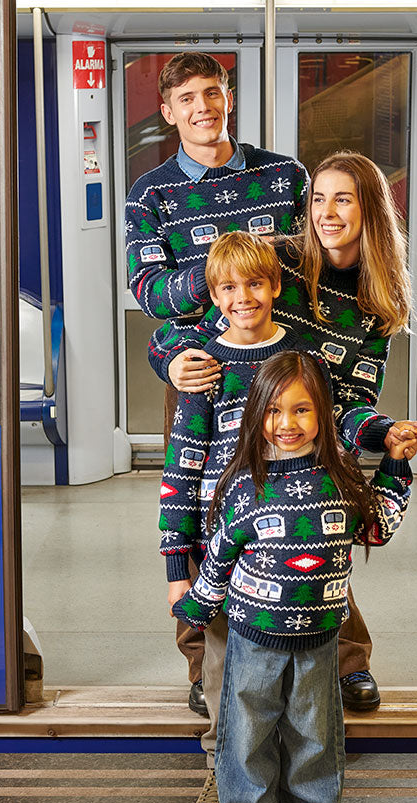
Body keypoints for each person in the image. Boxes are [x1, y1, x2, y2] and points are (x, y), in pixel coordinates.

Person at [155, 150, 417, 711]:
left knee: (311, 545)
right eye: (318, 198)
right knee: (216, 557)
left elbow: (349, 404)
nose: (326, 213)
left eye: (343, 199)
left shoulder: (378, 303)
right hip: (227, 451)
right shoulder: (279, 262)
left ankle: (343, 660)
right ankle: (206, 671)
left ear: (371, 210)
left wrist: (384, 436)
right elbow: (191, 332)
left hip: (307, 455)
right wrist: (174, 358)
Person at [171, 350, 417, 803]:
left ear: (324, 414)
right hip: (252, 636)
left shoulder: (344, 478)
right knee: (246, 734)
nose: (288, 424)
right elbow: (218, 558)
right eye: (275, 411)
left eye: (303, 411)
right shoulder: (241, 484)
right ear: (257, 413)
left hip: (320, 640)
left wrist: (396, 464)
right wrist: (195, 608)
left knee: (316, 734)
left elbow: (378, 527)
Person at [124, 50, 309, 724]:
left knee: (309, 503)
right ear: (168, 113)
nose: (203, 107)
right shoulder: (151, 196)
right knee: (202, 512)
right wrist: (221, 281)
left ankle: (342, 661)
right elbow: (149, 293)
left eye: (213, 92)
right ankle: (204, 665)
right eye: (188, 100)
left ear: (228, 97)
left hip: (286, 370)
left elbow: (315, 275)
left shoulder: (285, 175)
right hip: (201, 373)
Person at [160, 230, 327, 803]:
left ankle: (290, 781)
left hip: (293, 547)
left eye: (256, 284)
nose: (243, 298)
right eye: (228, 287)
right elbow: (182, 466)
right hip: (221, 551)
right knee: (223, 667)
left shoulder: (304, 356)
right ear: (212, 294)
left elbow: (332, 433)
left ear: (276, 287)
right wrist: (179, 567)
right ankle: (221, 772)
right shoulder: (204, 362)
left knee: (296, 676)